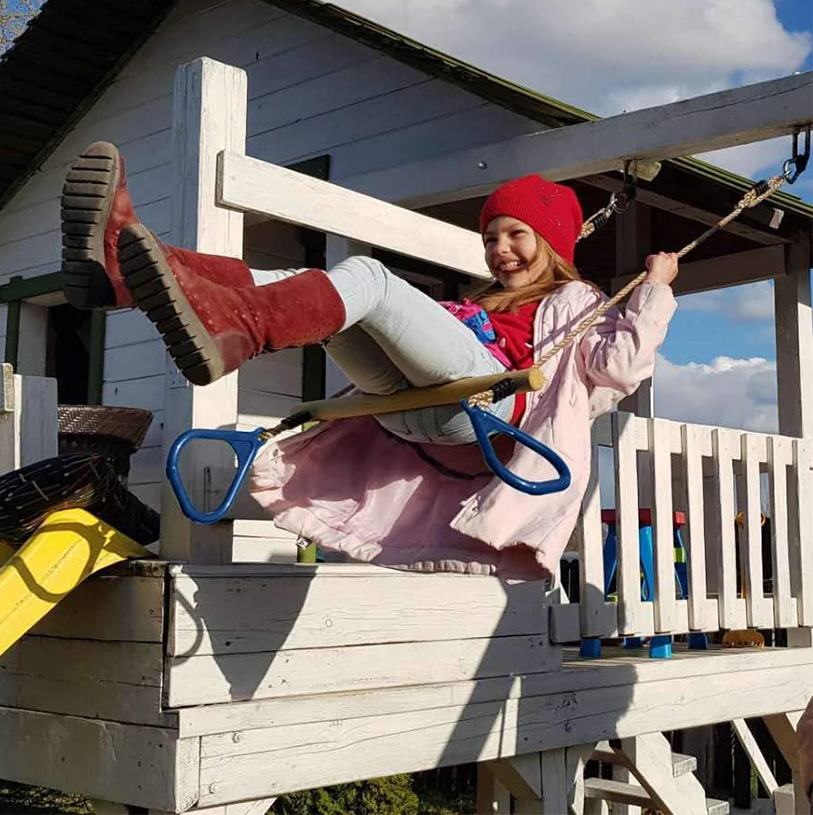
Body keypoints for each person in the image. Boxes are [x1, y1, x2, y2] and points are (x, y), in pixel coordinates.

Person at [61, 141, 679, 578]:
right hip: (407, 413)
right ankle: (130, 275)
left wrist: (654, 290)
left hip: (483, 412)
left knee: (369, 279)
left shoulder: (576, 301)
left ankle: (235, 330)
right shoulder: (479, 300)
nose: (500, 250)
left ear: (550, 243)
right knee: (321, 286)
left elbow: (620, 371)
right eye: (492, 237)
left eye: (517, 235)